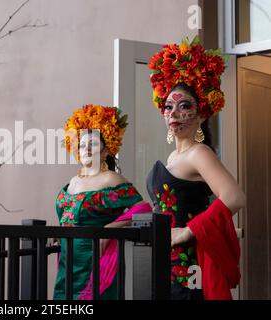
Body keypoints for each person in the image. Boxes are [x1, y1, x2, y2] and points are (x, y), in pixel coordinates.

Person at [146, 36, 245, 299]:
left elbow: (235, 197)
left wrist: (188, 231)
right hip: (166, 258)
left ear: (202, 114)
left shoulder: (199, 153)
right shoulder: (173, 157)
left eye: (184, 106)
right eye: (168, 107)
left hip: (188, 260)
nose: (174, 113)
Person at [53, 104, 152, 300]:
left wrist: (110, 228)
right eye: (82, 144)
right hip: (67, 263)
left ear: (106, 150)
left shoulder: (111, 180)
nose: (86, 149)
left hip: (95, 261)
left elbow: (143, 209)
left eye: (93, 144)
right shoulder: (73, 182)